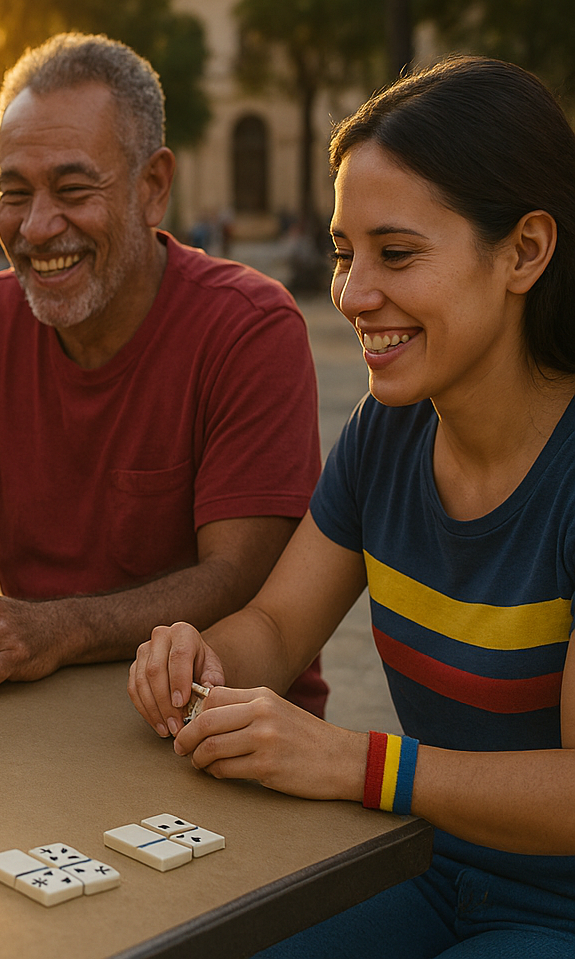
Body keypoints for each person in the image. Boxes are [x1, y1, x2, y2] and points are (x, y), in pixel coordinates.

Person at [129, 57, 575, 957]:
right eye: (343, 253)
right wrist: (198, 658)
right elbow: (277, 628)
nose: (352, 295)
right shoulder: (388, 429)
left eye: (396, 254)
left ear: (525, 251)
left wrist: (355, 763)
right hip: (422, 866)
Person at [0, 33, 327, 708]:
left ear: (153, 188)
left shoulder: (249, 326)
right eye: (15, 193)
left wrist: (59, 628)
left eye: (72, 189)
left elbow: (239, 576)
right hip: (43, 724)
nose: (37, 227)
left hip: (220, 725)